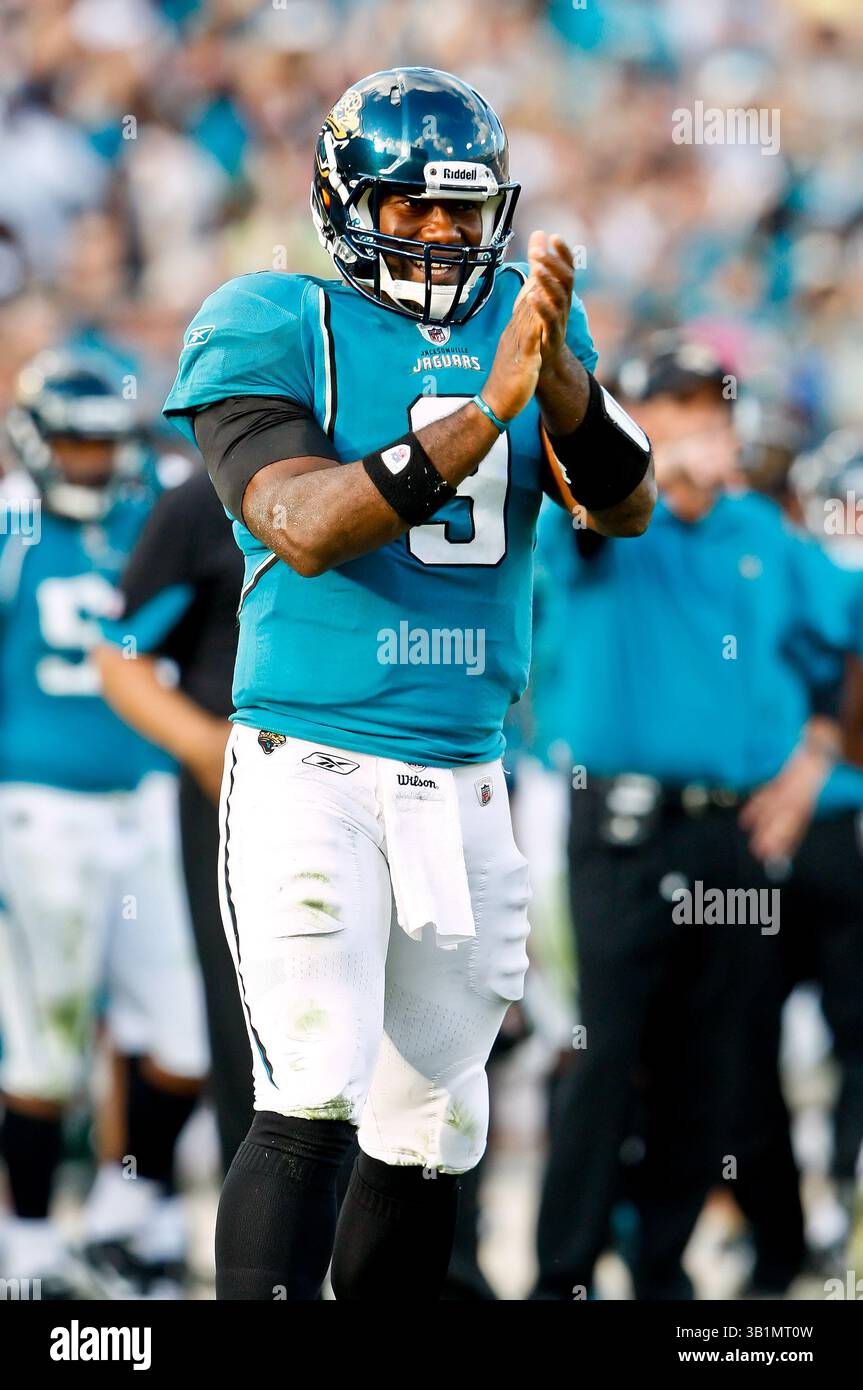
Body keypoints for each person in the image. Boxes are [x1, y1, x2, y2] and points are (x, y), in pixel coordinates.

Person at [161, 66, 655, 1301]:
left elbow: (624, 504)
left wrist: (561, 390)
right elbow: (308, 521)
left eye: (460, 209)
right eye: (409, 208)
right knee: (312, 1083)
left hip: (467, 775)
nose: (440, 235)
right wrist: (487, 410)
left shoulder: (528, 325)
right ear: (344, 204)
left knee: (434, 1123)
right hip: (310, 768)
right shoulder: (273, 318)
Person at [528, 337, 863, 1299]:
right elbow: (589, 520)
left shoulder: (759, 531)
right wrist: (647, 465)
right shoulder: (602, 518)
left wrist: (811, 764)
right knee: (602, 1055)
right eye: (674, 419)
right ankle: (561, 1275)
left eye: (709, 419)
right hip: (620, 828)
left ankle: (660, 1270)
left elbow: (836, 649)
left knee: (705, 1064)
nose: (701, 438)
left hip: (732, 830)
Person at [0, 351, 209, 1298]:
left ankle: (137, 1217)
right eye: (74, 444)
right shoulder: (10, 523)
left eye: (102, 444)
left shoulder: (148, 509)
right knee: (44, 1042)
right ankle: (32, 1242)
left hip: (148, 804)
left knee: (185, 1035)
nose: (90, 463)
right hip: (40, 812)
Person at [94, 467, 252, 1175]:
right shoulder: (200, 503)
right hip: (239, 796)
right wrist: (201, 743)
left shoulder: (385, 471)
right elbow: (119, 651)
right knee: (246, 1030)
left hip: (380, 779)